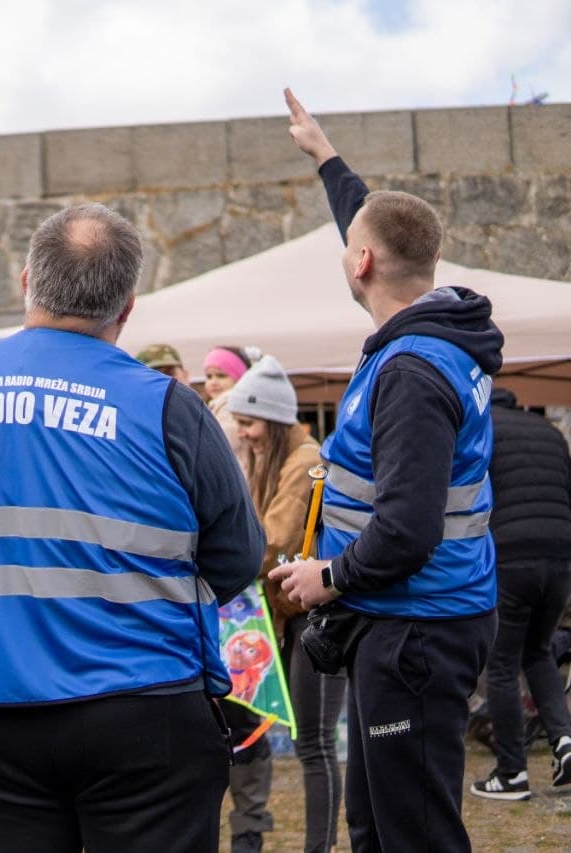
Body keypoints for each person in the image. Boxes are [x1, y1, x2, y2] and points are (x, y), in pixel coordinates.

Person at [0, 203, 265, 852]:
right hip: (146, 707)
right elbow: (238, 558)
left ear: (25, 282)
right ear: (127, 306)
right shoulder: (167, 406)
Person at [271, 89, 503, 852]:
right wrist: (325, 156)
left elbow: (407, 527)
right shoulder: (442, 332)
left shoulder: (410, 370)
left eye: (350, 245)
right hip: (413, 622)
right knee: (374, 824)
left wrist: (326, 577)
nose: (347, 248)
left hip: (417, 630)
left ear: (362, 263)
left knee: (415, 834)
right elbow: (371, 221)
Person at [228, 355, 344, 853]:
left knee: (316, 743)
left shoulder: (305, 461)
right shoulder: (273, 459)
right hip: (294, 615)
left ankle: (319, 847)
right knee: (310, 743)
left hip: (319, 617)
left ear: (273, 421)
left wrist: (221, 566)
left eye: (249, 423)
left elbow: (270, 541)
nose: (244, 434)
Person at [468, 387, 571, 800]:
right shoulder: (549, 431)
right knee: (539, 651)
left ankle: (512, 773)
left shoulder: (481, 430)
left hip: (511, 558)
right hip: (560, 560)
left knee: (503, 664)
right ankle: (565, 742)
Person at [204, 345, 256, 472]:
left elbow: (221, 443)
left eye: (221, 376)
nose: (213, 382)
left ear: (239, 377)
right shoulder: (216, 405)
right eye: (209, 376)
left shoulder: (230, 404)